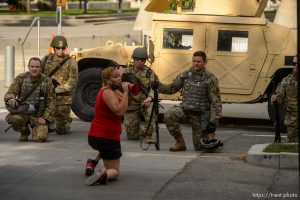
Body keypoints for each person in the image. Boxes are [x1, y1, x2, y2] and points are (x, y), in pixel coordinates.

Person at [153, 51, 222, 151]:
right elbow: (171, 88)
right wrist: (158, 85)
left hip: (200, 115)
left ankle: (212, 140)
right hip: (186, 111)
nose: (196, 63)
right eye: (194, 61)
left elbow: (216, 102)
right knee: (169, 115)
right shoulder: (185, 75)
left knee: (200, 147)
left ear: (205, 62)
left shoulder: (210, 79)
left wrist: (213, 122)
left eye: (199, 61)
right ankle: (180, 143)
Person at [84, 67, 131, 185]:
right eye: (115, 77)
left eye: (119, 76)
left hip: (96, 136)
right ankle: (103, 175)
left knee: (105, 150)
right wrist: (125, 92)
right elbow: (119, 111)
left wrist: (129, 93)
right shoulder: (108, 92)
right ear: (107, 80)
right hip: (107, 138)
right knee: (115, 171)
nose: (119, 78)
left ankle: (92, 163)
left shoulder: (112, 90)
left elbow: (127, 105)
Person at [4, 57, 55, 142]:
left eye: (37, 67)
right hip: (23, 113)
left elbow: (51, 102)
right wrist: (11, 99)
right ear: (28, 67)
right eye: (32, 66)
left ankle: (41, 129)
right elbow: (10, 92)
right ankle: (24, 132)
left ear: (41, 68)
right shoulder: (21, 78)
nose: (34, 69)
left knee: (40, 138)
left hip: (38, 116)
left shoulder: (47, 81)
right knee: (15, 119)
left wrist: (44, 117)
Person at [41, 35, 78, 135]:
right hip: (47, 98)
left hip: (63, 99)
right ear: (53, 48)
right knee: (42, 126)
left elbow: (71, 84)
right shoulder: (46, 59)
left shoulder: (71, 62)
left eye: (63, 48)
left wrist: (55, 89)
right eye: (58, 48)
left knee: (61, 131)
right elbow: (37, 74)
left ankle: (66, 120)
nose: (61, 50)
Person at [122, 47, 158, 143]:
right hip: (132, 103)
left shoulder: (149, 72)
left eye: (142, 60)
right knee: (132, 136)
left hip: (145, 101)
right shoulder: (126, 72)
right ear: (133, 59)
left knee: (151, 110)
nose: (139, 62)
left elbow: (154, 87)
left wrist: (150, 98)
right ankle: (141, 131)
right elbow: (119, 86)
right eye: (137, 59)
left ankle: (148, 135)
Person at [271, 55, 298, 143]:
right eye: (294, 63)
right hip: (293, 124)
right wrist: (274, 99)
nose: (296, 66)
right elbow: (278, 99)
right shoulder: (286, 81)